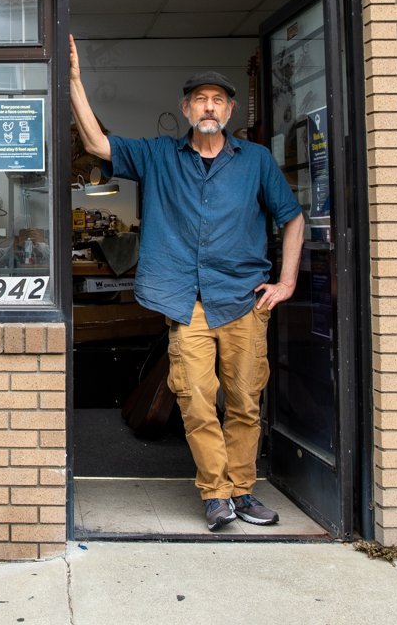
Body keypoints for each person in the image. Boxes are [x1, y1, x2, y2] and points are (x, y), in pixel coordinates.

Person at [69, 35, 305, 531]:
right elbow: (96, 144)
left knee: (244, 401)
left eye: (217, 99)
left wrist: (285, 283)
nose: (209, 106)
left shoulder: (257, 160)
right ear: (185, 108)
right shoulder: (158, 155)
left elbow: (292, 217)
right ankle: (216, 492)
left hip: (243, 300)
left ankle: (242, 490)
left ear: (231, 109)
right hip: (186, 302)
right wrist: (73, 81)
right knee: (195, 397)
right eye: (200, 98)